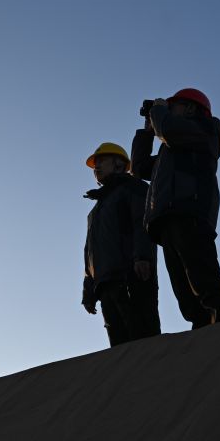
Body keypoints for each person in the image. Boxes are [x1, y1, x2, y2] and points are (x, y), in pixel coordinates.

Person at [130, 88, 220, 329]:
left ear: (190, 108)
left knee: (203, 278)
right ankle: (202, 332)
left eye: (172, 106)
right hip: (166, 218)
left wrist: (158, 110)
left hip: (190, 212)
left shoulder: (206, 131)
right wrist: (147, 132)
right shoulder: (171, 152)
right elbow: (139, 168)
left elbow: (168, 130)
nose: (167, 110)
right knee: (183, 290)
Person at [82, 142, 162, 347]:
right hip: (105, 285)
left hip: (132, 276)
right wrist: (88, 287)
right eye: (94, 164)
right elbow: (90, 251)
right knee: (120, 351)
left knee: (144, 341)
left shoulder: (133, 187)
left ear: (119, 164)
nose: (96, 167)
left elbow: (141, 224)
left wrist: (142, 257)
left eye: (102, 161)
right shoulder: (96, 210)